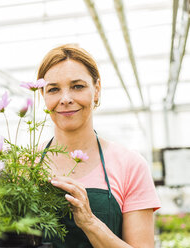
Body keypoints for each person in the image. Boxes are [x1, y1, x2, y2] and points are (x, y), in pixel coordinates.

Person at [38, 44, 161, 248]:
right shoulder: (23, 164)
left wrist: (89, 222)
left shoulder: (130, 165)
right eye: (53, 89)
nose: (65, 99)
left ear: (96, 90)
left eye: (77, 86)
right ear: (43, 96)